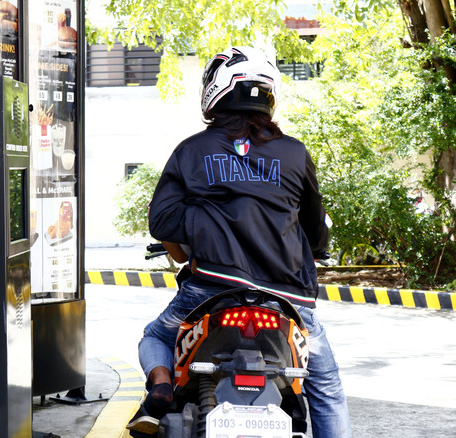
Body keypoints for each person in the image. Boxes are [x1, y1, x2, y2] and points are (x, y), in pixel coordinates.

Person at [126, 46, 352, 437]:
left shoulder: (192, 150)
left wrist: (203, 221)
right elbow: (315, 228)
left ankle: (161, 386)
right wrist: (314, 246)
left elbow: (161, 220)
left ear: (215, 89)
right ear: (268, 94)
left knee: (156, 336)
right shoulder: (295, 152)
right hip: (289, 298)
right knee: (325, 386)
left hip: (211, 289)